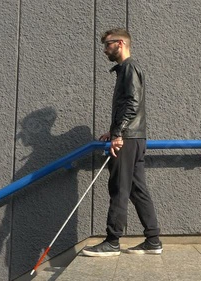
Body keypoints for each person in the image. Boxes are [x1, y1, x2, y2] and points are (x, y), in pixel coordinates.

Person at [82, 28, 162, 257]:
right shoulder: (126, 70)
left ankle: (112, 241)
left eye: (107, 45)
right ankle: (153, 240)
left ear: (120, 44)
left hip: (127, 139)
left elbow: (132, 103)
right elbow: (129, 105)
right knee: (137, 190)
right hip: (133, 137)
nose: (105, 50)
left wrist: (117, 133)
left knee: (119, 188)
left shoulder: (129, 68)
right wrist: (113, 130)